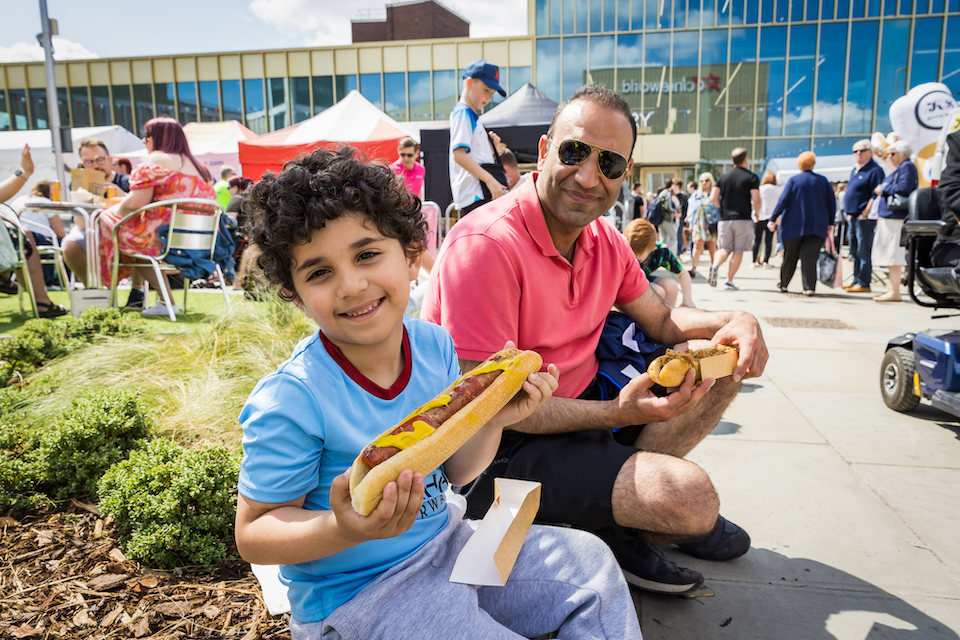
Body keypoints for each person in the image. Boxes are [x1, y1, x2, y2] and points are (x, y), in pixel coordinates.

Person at [234, 147, 642, 640]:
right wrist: (345, 530)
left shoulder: (434, 344)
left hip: (451, 544)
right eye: (319, 272)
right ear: (295, 295)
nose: (352, 284)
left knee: (592, 562)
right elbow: (253, 535)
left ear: (411, 256)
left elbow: (455, 470)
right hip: (363, 595)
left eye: (367, 254)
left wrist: (494, 419)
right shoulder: (291, 397)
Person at [423, 84, 769, 595]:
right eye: (574, 151)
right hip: (502, 446)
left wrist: (739, 318)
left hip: (588, 410)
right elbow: (484, 411)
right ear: (544, 151)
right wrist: (618, 416)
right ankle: (613, 522)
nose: (588, 176)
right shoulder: (486, 246)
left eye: (609, 163)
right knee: (691, 501)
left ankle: (618, 520)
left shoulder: (603, 236)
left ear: (623, 173)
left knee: (719, 360)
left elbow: (663, 322)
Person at [63, 117, 216, 316]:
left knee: (118, 231)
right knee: (129, 235)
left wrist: (107, 213)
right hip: (197, 241)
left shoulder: (156, 160)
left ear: (158, 138)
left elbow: (135, 203)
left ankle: (108, 293)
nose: (144, 141)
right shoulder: (200, 168)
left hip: (163, 238)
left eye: (146, 136)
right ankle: (150, 298)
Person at [0, 145, 68, 317]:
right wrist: (24, 172)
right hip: (37, 239)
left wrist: (24, 172)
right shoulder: (47, 202)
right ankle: (41, 300)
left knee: (21, 235)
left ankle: (5, 275)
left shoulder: (23, 199)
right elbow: (59, 232)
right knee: (22, 238)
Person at [766, 152, 835, 297]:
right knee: (809, 258)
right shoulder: (823, 181)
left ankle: (784, 284)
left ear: (799, 164)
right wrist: (831, 222)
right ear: (813, 163)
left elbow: (782, 201)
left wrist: (773, 218)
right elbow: (831, 204)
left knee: (789, 257)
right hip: (816, 226)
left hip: (793, 226)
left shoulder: (794, 181)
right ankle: (809, 287)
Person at [449, 60, 507, 214]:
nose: (488, 97)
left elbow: (471, 155)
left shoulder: (468, 114)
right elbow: (459, 154)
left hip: (477, 193)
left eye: (491, 94)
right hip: (476, 195)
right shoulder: (463, 113)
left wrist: (490, 148)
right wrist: (491, 181)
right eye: (486, 90)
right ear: (469, 83)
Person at [871, 141, 918, 302]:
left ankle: (894, 291)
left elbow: (905, 188)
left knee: (893, 255)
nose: (889, 156)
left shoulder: (907, 167)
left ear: (903, 154)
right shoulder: (902, 167)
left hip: (895, 217)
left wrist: (883, 189)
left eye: (892, 153)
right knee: (891, 255)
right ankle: (893, 289)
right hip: (891, 217)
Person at [708, 147, 761, 291]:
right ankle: (728, 281)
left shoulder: (723, 177)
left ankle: (715, 265)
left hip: (725, 219)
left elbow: (713, 197)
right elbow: (756, 198)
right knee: (738, 250)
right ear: (746, 159)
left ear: (732, 161)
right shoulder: (751, 177)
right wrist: (757, 213)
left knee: (724, 248)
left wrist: (722, 206)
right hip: (743, 219)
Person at [843, 140, 885, 293]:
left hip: (864, 218)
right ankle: (856, 279)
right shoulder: (856, 169)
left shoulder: (875, 170)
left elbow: (876, 194)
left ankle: (863, 282)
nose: (858, 154)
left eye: (862, 150)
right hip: (853, 217)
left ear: (870, 152)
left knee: (863, 251)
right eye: (855, 151)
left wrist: (865, 212)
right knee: (853, 251)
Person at [625, 218, 695, 308]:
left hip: (642, 279)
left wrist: (687, 300)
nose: (634, 260)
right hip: (627, 286)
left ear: (653, 248)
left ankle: (669, 317)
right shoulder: (621, 249)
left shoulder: (661, 251)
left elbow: (683, 274)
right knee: (658, 291)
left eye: (638, 260)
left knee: (671, 285)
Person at [686, 172, 719, 278]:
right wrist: (691, 224)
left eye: (707, 180)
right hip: (699, 223)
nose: (704, 182)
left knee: (712, 246)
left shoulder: (715, 193)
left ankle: (713, 269)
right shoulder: (697, 194)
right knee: (697, 245)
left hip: (711, 222)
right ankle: (694, 269)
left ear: (711, 181)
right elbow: (693, 210)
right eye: (702, 181)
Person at [754, 172, 782, 269]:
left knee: (757, 241)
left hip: (760, 217)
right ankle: (766, 261)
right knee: (769, 241)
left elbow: (755, 201)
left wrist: (755, 214)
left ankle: (755, 261)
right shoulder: (778, 190)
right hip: (772, 219)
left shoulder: (760, 189)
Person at [671, 178, 688, 256]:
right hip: (671, 220)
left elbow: (685, 208)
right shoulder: (671, 195)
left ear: (677, 186)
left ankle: (678, 253)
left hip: (680, 219)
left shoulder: (683, 197)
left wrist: (684, 219)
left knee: (679, 236)